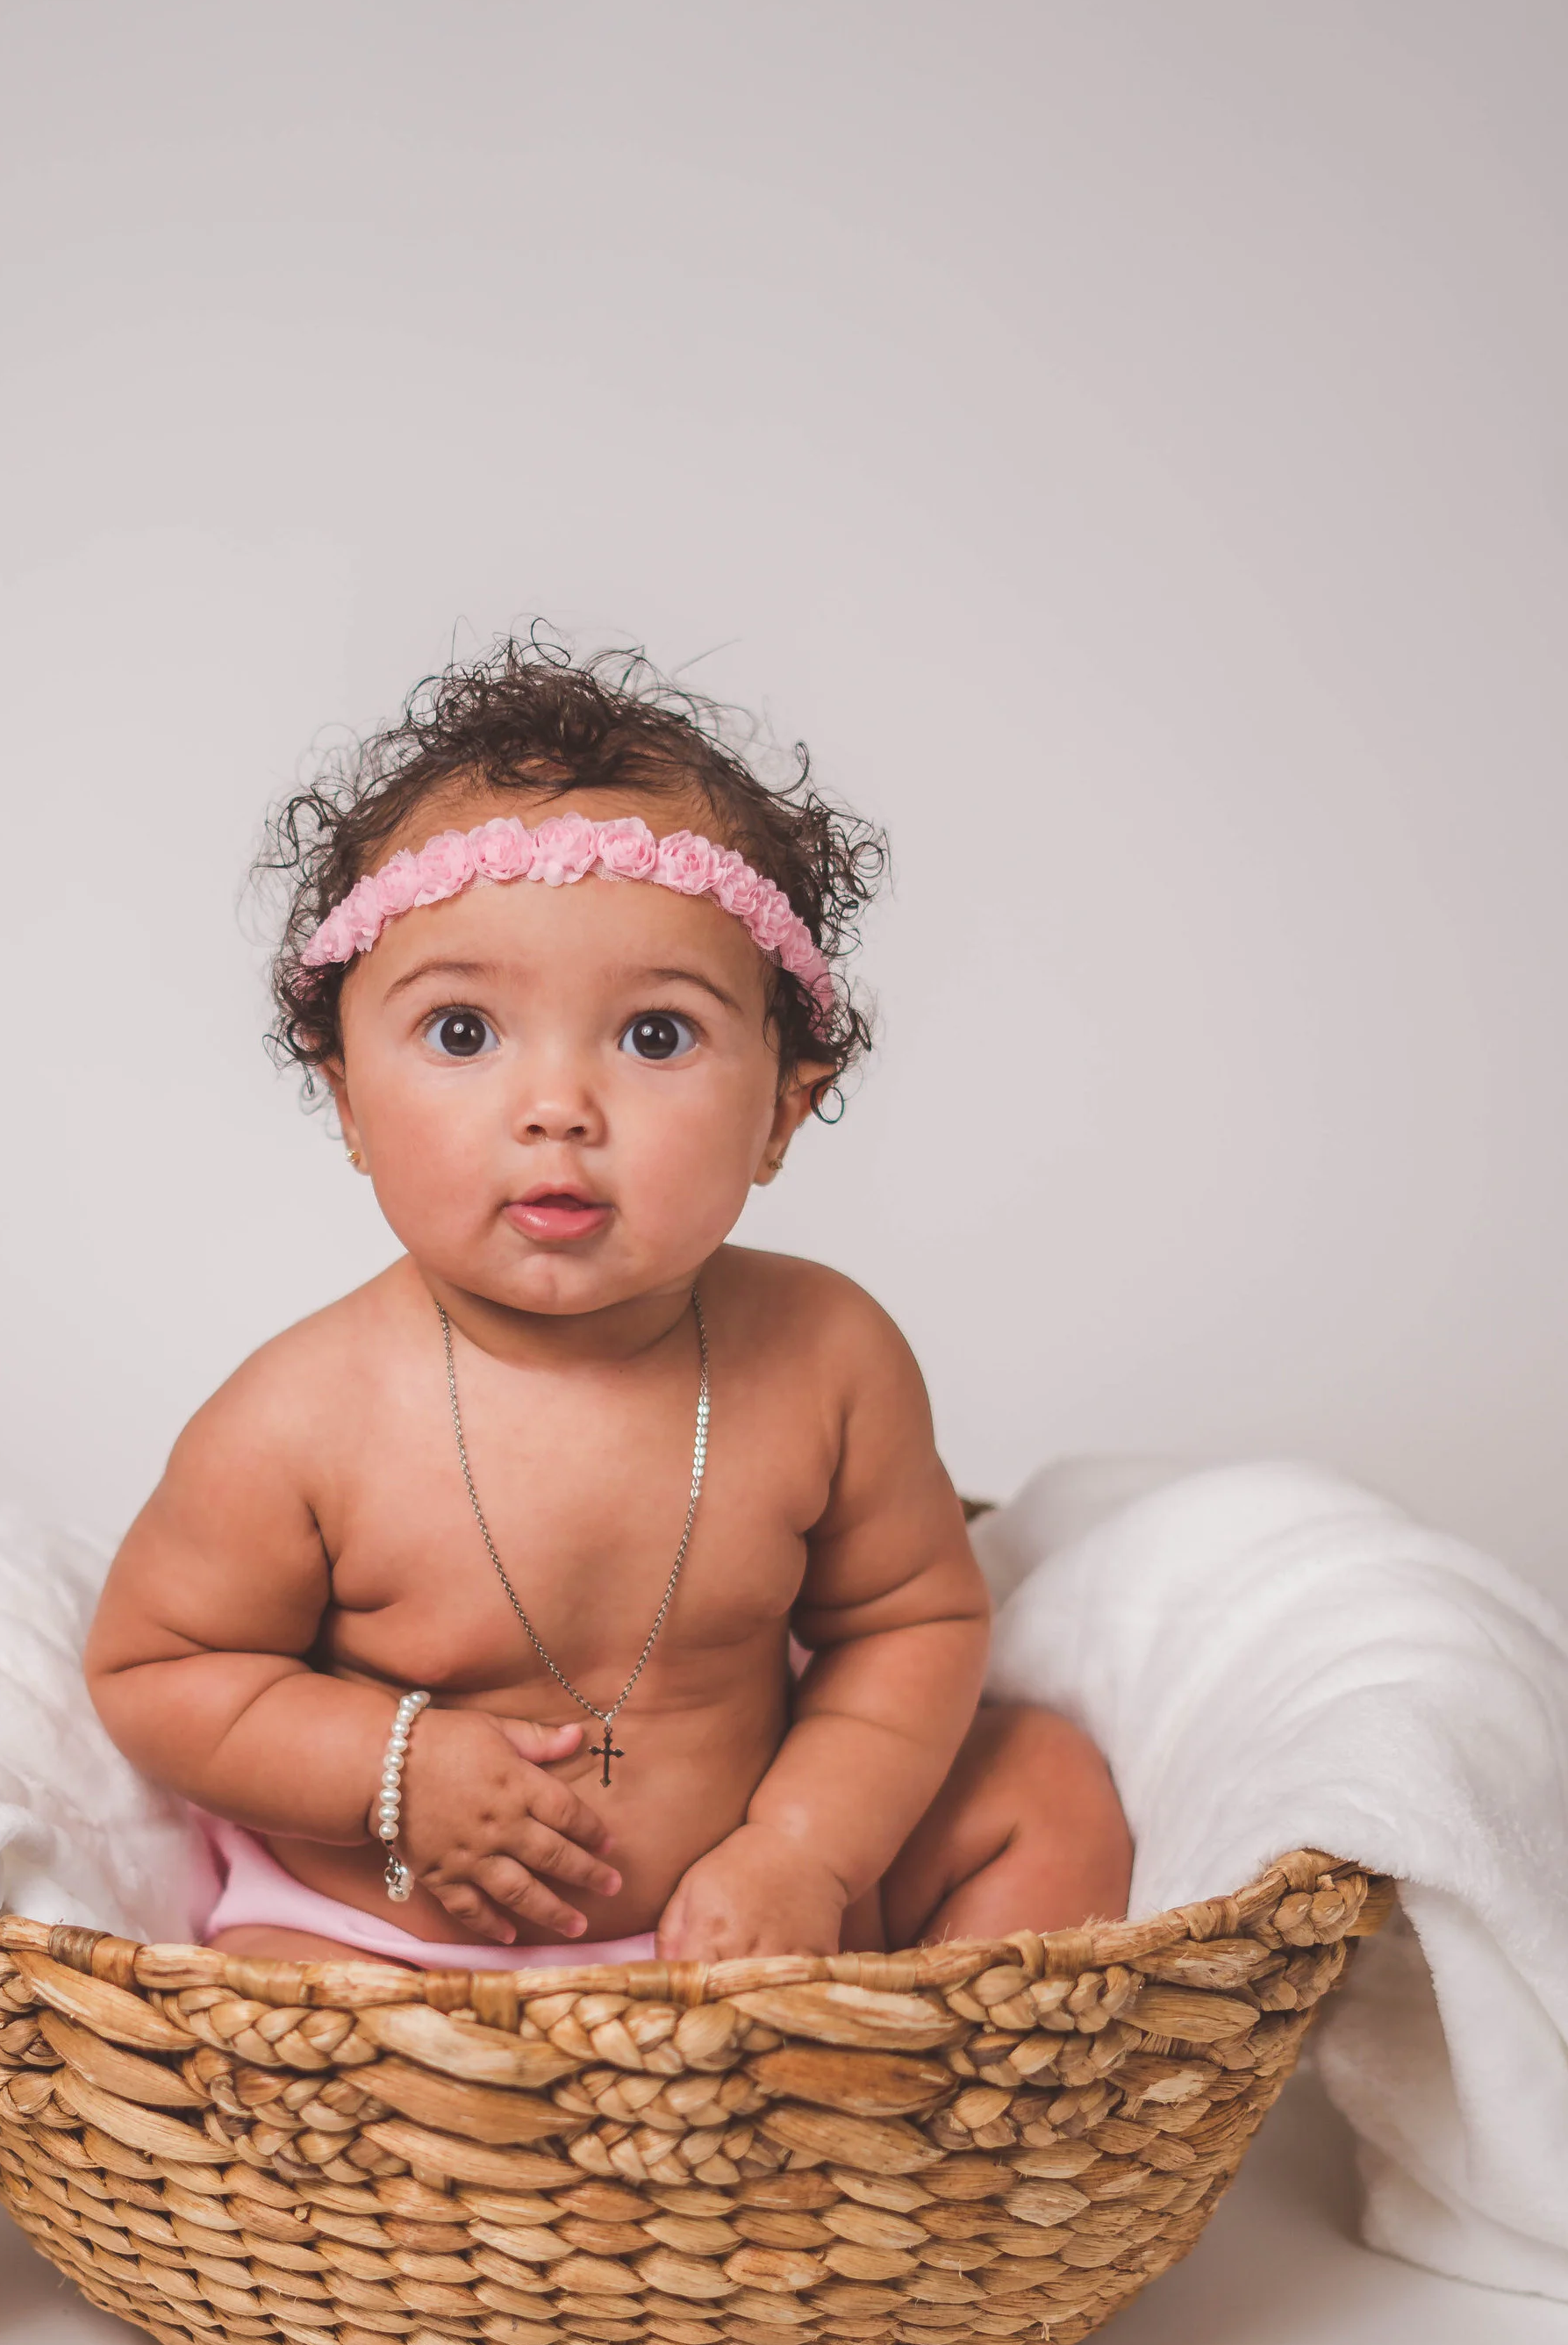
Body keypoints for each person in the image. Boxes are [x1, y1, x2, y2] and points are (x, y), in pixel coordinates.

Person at [87, 641, 1131, 1966]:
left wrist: (803, 1847)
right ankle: (467, 2132)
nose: (558, 1110)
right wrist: (390, 1764)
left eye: (656, 1035)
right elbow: (159, 1673)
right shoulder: (302, 1416)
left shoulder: (827, 1357)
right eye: (464, 1032)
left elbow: (909, 1623)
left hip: (757, 1936)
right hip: (397, 1946)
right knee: (271, 2017)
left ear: (782, 1110)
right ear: (348, 1098)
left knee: (1045, 1786)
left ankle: (891, 2109)